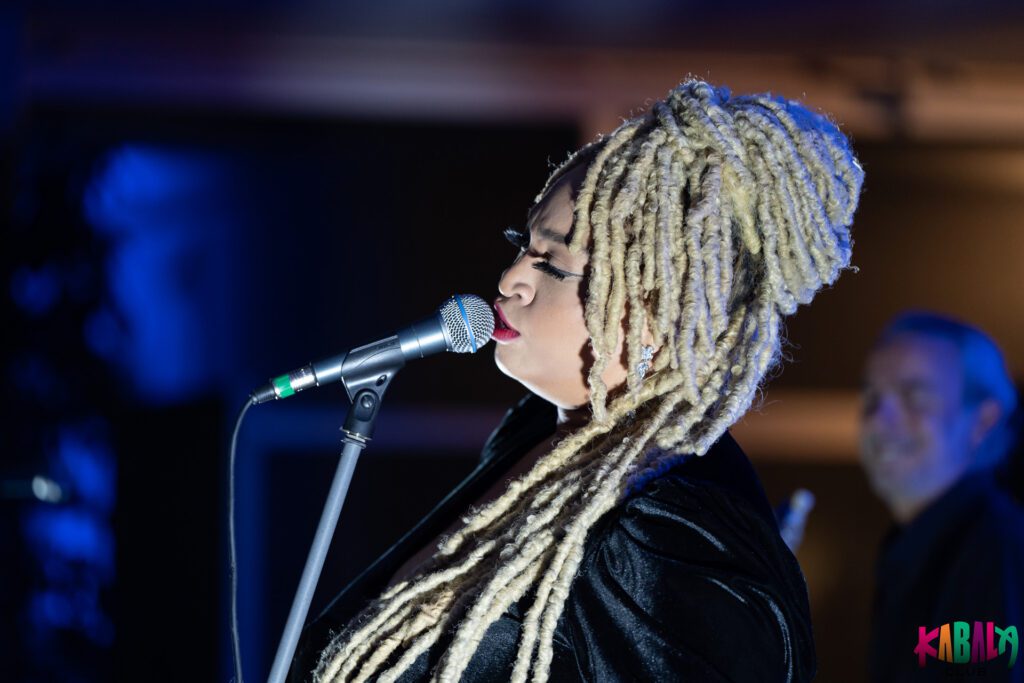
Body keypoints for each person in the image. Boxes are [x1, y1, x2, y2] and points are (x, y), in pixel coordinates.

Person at [290, 79, 864, 682]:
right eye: (523, 245)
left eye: (553, 263)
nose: (511, 279)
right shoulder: (536, 434)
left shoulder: (672, 538)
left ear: (654, 311)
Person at [860, 312, 1024, 682]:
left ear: (983, 421)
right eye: (871, 396)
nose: (877, 419)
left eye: (914, 397)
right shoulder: (919, 544)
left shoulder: (994, 550)